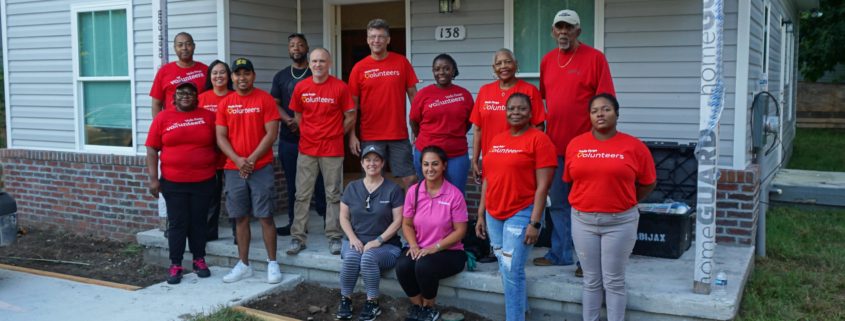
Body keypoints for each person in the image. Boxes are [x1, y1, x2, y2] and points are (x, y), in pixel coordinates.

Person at [534, 9, 616, 272]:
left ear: (578, 31)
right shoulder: (547, 61)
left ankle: (587, 260)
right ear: (552, 31)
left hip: (586, 148)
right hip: (555, 146)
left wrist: (600, 141)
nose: (563, 33)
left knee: (587, 205)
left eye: (569, 28)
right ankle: (560, 253)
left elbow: (605, 103)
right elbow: (546, 101)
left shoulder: (595, 59)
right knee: (558, 203)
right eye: (559, 27)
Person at [566, 93, 655, 321]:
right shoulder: (576, 144)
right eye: (594, 111)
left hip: (620, 222)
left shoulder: (634, 146)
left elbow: (648, 182)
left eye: (605, 109)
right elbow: (571, 180)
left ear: (617, 113)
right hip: (583, 221)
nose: (600, 114)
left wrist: (624, 199)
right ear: (589, 116)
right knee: (591, 279)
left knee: (614, 280)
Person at [475, 93, 556, 321]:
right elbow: (488, 179)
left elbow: (543, 187)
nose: (515, 112)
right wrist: (481, 213)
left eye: (521, 109)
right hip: (494, 213)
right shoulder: (497, 139)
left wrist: (535, 222)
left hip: (521, 212)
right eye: (511, 108)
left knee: (512, 268)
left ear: (531, 113)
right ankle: (522, 309)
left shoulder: (539, 140)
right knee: (505, 266)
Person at [215, 58, 283, 284]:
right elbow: (220, 136)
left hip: (260, 167)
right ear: (232, 77)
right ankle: (244, 264)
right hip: (233, 169)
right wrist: (237, 159)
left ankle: (272, 263)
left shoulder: (265, 100)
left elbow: (271, 134)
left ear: (253, 75)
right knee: (240, 218)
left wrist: (251, 160)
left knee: (265, 216)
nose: (241, 78)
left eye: (246, 73)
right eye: (237, 74)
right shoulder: (226, 103)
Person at [285, 48, 357, 256]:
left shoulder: (340, 87)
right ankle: (298, 237)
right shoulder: (301, 87)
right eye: (315, 61)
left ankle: (334, 236)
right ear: (309, 63)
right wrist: (308, 133)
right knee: (302, 195)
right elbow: (297, 115)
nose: (318, 65)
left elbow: (350, 116)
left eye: (322, 61)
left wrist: (335, 134)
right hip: (307, 149)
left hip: (332, 150)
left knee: (333, 194)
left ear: (330, 63)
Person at [145, 82, 217, 284]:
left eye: (190, 93)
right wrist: (153, 179)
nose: (186, 96)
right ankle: (175, 264)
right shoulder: (163, 117)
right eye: (181, 93)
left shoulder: (208, 117)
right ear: (174, 98)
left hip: (203, 180)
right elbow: (152, 149)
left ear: (197, 97)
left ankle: (199, 259)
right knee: (178, 223)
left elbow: (220, 143)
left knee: (198, 222)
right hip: (173, 181)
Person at [395, 146, 467, 321]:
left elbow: (461, 231)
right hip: (419, 247)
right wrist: (413, 245)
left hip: (450, 252)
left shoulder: (454, 194)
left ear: (444, 166)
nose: (430, 168)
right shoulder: (414, 191)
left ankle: (429, 308)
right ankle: (417, 306)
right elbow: (406, 223)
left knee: (423, 266)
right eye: (426, 164)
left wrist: (435, 248)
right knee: (403, 265)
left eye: (435, 164)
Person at [348, 18, 419, 188]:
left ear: (388, 40)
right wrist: (352, 135)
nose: (376, 40)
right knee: (372, 179)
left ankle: (409, 214)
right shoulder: (359, 68)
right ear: (367, 40)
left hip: (398, 134)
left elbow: (414, 96)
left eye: (380, 36)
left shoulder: (401, 62)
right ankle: (375, 214)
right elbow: (352, 106)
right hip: (371, 135)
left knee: (410, 179)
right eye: (372, 36)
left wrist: (417, 127)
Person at [335, 145, 404, 321]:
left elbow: (398, 221)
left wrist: (378, 241)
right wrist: (352, 238)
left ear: (382, 163)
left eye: (376, 160)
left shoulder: (393, 189)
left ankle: (372, 302)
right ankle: (346, 300)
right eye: (367, 160)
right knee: (351, 257)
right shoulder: (352, 187)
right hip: (355, 240)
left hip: (387, 245)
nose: (371, 163)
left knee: (368, 257)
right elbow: (343, 217)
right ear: (362, 163)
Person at [271, 33, 327, 237]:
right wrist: (288, 120)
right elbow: (274, 104)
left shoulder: (316, 74)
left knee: (321, 183)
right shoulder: (281, 76)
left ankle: (327, 222)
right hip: (289, 140)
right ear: (288, 50)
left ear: (307, 48)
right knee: (294, 184)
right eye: (292, 45)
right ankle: (295, 224)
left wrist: (305, 124)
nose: (296, 48)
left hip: (317, 139)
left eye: (300, 45)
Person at [470, 49, 545, 184]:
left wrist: (527, 153)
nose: (503, 66)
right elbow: (478, 129)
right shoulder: (484, 91)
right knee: (491, 199)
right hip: (491, 160)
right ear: (494, 68)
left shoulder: (530, 90)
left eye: (508, 62)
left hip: (520, 162)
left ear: (516, 65)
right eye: (499, 64)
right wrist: (475, 159)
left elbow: (539, 126)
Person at [409, 54, 473, 193]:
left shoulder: (464, 95)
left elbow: (468, 123)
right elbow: (414, 121)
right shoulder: (423, 94)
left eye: (446, 68)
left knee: (455, 193)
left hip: (456, 153)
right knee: (427, 193)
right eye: (437, 69)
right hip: (426, 153)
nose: (441, 72)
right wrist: (424, 137)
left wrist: (452, 134)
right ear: (433, 71)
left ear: (454, 70)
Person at [198, 60, 233, 242]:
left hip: (233, 154)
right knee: (211, 197)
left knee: (234, 195)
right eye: (214, 73)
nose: (218, 76)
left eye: (222, 72)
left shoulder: (236, 96)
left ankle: (238, 234)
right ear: (209, 76)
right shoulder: (202, 98)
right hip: (209, 156)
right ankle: (210, 232)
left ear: (229, 76)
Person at [150, 32, 207, 117]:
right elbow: (156, 104)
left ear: (194, 46)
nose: (184, 48)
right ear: (175, 48)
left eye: (188, 44)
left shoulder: (205, 70)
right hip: (172, 124)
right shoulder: (164, 71)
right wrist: (159, 125)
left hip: (199, 122)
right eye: (180, 45)